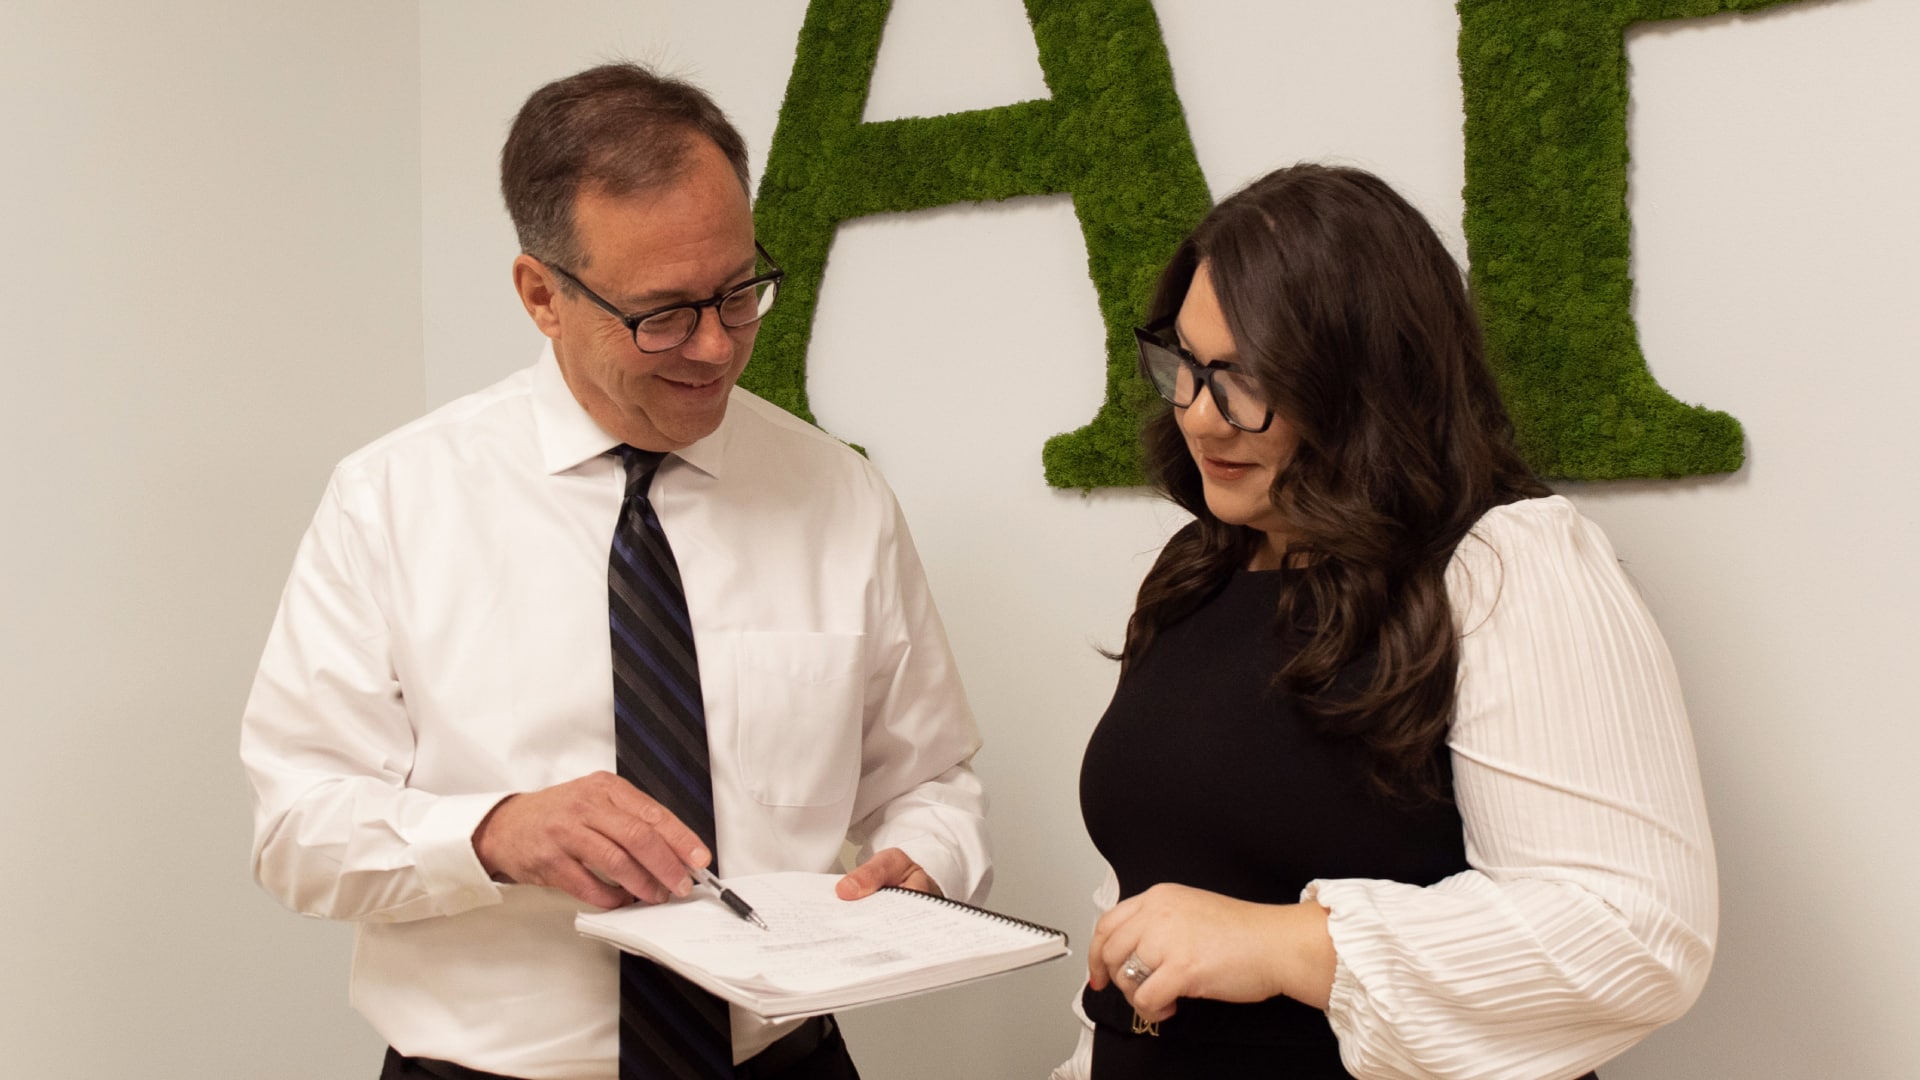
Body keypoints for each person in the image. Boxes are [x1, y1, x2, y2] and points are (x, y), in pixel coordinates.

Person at [241, 63, 990, 1080]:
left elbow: (933, 778)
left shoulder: (839, 496)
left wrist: (927, 863)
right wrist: (494, 834)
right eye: (664, 314)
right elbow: (296, 827)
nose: (718, 346)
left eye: (739, 291)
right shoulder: (392, 501)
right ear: (541, 295)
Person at [1057, 164, 1716, 1079]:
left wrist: (1291, 945)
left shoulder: (1504, 563)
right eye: (1186, 364)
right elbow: (1145, 903)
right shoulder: (1197, 567)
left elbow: (1635, 934)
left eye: (1246, 379)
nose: (1200, 415)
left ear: (1367, 382)